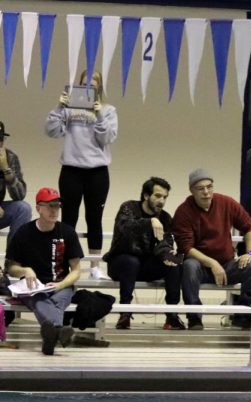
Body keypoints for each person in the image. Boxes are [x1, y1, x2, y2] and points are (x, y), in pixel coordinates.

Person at [44, 69, 118, 279]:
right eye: (84, 85)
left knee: (95, 218)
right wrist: (60, 106)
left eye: (93, 86)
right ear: (78, 86)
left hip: (97, 172)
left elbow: (108, 138)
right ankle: (68, 265)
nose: (88, 89)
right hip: (71, 170)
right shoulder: (68, 109)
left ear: (99, 88)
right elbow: (51, 131)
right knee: (69, 219)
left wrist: (99, 114)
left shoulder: (109, 110)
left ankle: (95, 266)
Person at [172, 169, 251, 331]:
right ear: (191, 190)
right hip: (200, 266)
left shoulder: (227, 203)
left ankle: (243, 316)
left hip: (227, 265)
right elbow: (186, 248)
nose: (206, 192)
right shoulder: (183, 211)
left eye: (209, 187)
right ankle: (194, 317)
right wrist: (212, 263)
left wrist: (250, 253)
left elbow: (250, 228)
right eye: (200, 188)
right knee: (189, 265)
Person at [4, 187, 82, 355]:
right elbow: (10, 267)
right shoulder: (24, 233)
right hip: (31, 286)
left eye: (57, 206)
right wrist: (25, 270)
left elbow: (76, 271)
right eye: (49, 206)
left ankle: (51, 335)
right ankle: (58, 331)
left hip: (61, 285)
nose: (54, 210)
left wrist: (61, 285)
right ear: (38, 208)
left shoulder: (67, 232)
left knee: (55, 300)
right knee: (40, 300)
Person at [104, 176, 185, 330]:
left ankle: (172, 314)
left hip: (147, 265)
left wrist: (168, 255)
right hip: (121, 263)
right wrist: (149, 222)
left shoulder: (165, 217)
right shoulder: (128, 207)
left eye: (165, 197)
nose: (161, 201)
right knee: (131, 261)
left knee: (176, 262)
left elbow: (164, 243)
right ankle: (125, 312)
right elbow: (124, 230)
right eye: (158, 196)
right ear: (146, 195)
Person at [0, 121, 31, 246]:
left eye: (0, 138)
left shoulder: (10, 157)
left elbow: (19, 195)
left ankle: (12, 260)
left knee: (23, 208)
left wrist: (6, 169)